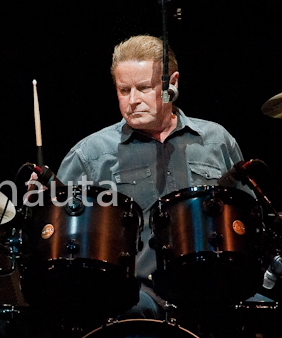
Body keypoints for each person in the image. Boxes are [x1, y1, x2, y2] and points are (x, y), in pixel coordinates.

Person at [56, 34, 249, 318]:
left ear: (173, 84)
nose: (132, 101)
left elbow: (247, 219)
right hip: (132, 301)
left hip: (215, 292)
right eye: (124, 90)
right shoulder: (90, 155)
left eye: (144, 88)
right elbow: (59, 241)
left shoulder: (216, 141)